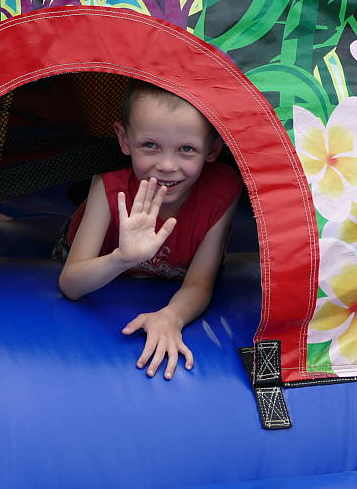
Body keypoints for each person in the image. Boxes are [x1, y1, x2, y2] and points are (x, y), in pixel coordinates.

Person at [58, 80, 242, 380]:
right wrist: (122, 258)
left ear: (212, 149)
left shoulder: (222, 191)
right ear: (124, 139)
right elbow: (71, 284)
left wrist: (171, 316)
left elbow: (199, 283)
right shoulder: (110, 183)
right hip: (103, 260)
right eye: (150, 145)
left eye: (186, 149)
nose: (167, 165)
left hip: (174, 268)